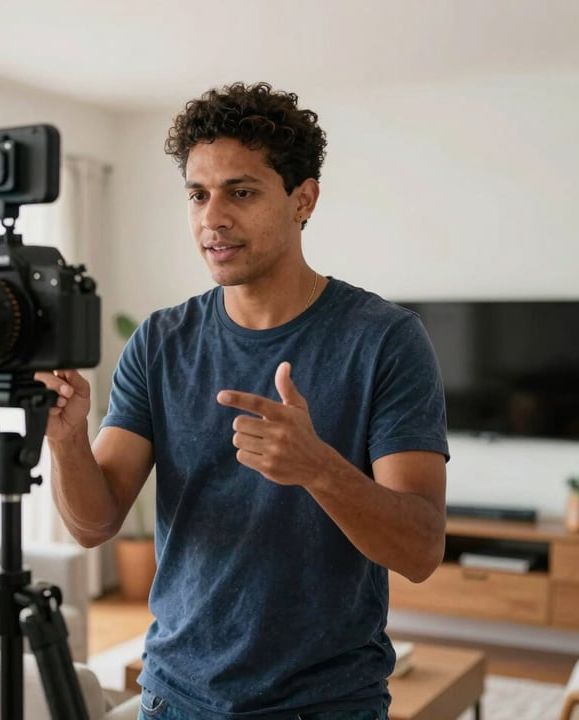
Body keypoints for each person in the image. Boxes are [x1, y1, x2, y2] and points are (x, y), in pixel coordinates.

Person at [36, 81, 448, 720]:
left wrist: (317, 467)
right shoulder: (160, 340)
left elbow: (421, 550)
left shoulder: (385, 339)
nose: (212, 217)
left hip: (326, 705)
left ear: (302, 199)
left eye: (242, 191)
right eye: (198, 194)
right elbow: (95, 524)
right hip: (175, 698)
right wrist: (66, 440)